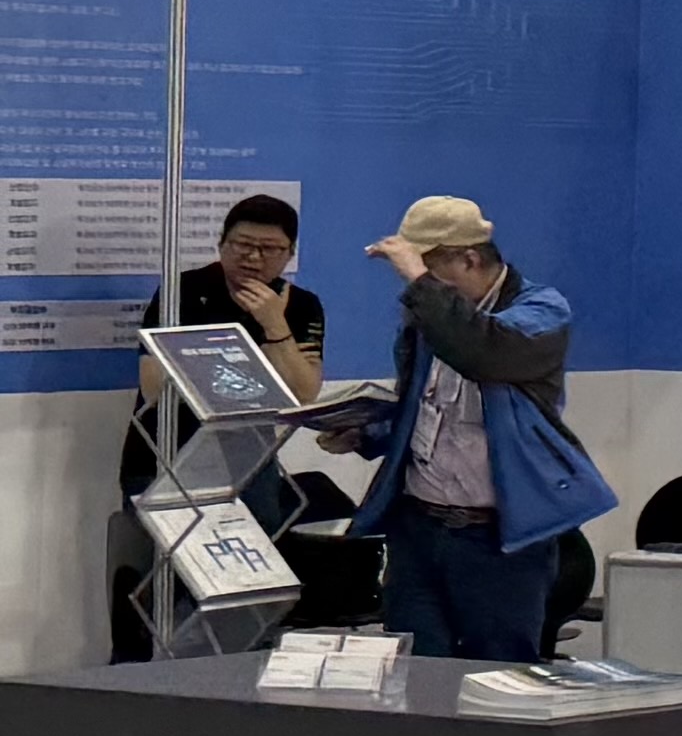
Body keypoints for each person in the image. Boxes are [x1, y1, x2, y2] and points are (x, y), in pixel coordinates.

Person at [333, 196, 613, 661]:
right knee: (416, 667)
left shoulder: (541, 310)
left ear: (469, 259)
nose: (416, 286)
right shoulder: (431, 314)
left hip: (496, 538)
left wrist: (421, 284)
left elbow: (485, 353)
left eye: (427, 269)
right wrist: (365, 434)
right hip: (418, 528)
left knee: (497, 673)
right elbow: (424, 409)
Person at [115, 193, 334, 658]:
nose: (253, 258)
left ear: (289, 254)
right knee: (157, 592)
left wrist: (273, 325)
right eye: (242, 245)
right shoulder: (182, 290)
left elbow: (302, 392)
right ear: (221, 245)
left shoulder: (301, 306)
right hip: (165, 459)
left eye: (269, 249)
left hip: (248, 466)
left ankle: (228, 680)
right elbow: (153, 386)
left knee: (242, 597)